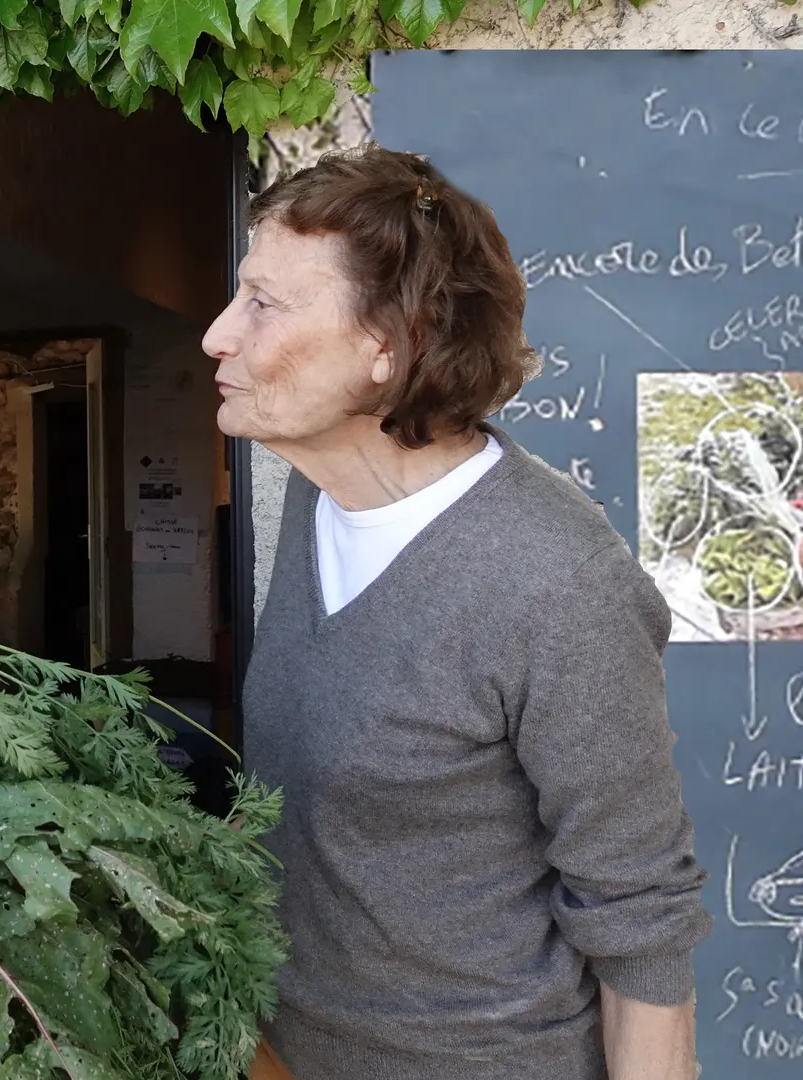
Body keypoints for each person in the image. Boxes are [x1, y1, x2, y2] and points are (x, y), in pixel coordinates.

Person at [205, 146, 711, 1080]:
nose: (216, 336)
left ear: (390, 346)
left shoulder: (556, 584)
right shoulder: (320, 497)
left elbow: (640, 915)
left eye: (264, 304)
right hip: (287, 1046)